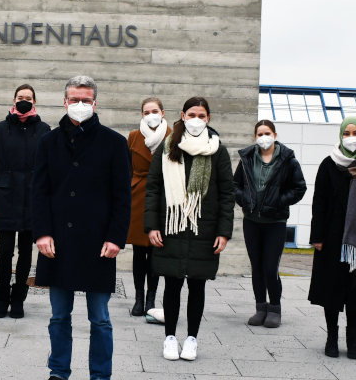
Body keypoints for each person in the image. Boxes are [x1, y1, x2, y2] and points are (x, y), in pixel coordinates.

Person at [30, 75, 131, 380]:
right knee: (59, 316)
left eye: (86, 99)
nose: (80, 104)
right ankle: (58, 375)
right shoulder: (48, 141)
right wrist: (41, 232)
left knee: (99, 317)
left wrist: (117, 237)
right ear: (64, 102)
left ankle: (100, 379)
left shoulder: (114, 143)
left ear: (95, 103)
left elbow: (122, 197)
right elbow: (39, 192)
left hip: (98, 243)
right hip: (57, 242)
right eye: (75, 99)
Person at [144, 96, 235, 361]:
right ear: (182, 116)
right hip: (170, 227)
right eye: (192, 114)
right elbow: (153, 188)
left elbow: (227, 194)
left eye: (202, 116)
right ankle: (170, 338)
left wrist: (223, 231)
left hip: (203, 229)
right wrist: (151, 226)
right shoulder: (167, 147)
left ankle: (192, 339)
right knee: (171, 286)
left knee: (198, 286)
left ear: (208, 119)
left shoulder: (218, 150)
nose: (197, 120)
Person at [308, 117, 356, 360]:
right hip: (331, 239)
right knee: (331, 290)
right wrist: (317, 235)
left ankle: (352, 339)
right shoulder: (328, 165)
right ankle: (332, 337)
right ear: (340, 135)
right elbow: (318, 202)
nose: (351, 137)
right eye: (347, 133)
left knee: (355, 291)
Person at [0, 84, 51, 319]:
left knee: (25, 252)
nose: (24, 101)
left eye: (28, 98)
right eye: (20, 97)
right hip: (5, 196)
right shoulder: (1, 128)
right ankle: (2, 297)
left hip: (31, 198)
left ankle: (18, 299)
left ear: (35, 102)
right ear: (13, 101)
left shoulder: (44, 129)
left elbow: (48, 169)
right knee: (5, 252)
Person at [233, 120, 306, 328]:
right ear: (255, 137)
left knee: (270, 267)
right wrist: (244, 199)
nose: (263, 137)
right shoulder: (247, 158)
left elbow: (299, 188)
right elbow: (235, 184)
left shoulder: (287, 159)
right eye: (259, 134)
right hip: (252, 221)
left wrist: (279, 201)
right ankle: (260, 308)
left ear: (275, 134)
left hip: (276, 222)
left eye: (267, 133)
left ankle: (275, 309)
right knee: (256, 266)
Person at [127, 97, 170, 319]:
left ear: (162, 112)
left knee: (155, 251)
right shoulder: (134, 136)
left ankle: (152, 298)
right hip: (137, 195)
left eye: (154, 111)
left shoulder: (172, 136)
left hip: (162, 196)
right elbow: (126, 166)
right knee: (138, 252)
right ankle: (138, 298)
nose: (150, 115)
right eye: (146, 112)